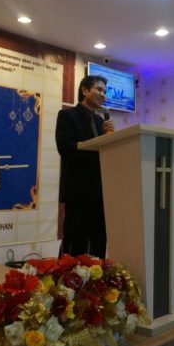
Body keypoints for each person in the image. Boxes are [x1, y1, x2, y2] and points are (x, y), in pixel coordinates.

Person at [55, 75, 114, 258]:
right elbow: (65, 148)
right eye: (99, 89)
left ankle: (97, 272)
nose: (103, 94)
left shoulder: (100, 122)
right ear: (85, 90)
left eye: (104, 91)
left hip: (99, 191)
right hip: (78, 190)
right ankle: (69, 273)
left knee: (98, 238)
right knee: (75, 239)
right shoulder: (67, 116)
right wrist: (95, 145)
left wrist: (110, 138)